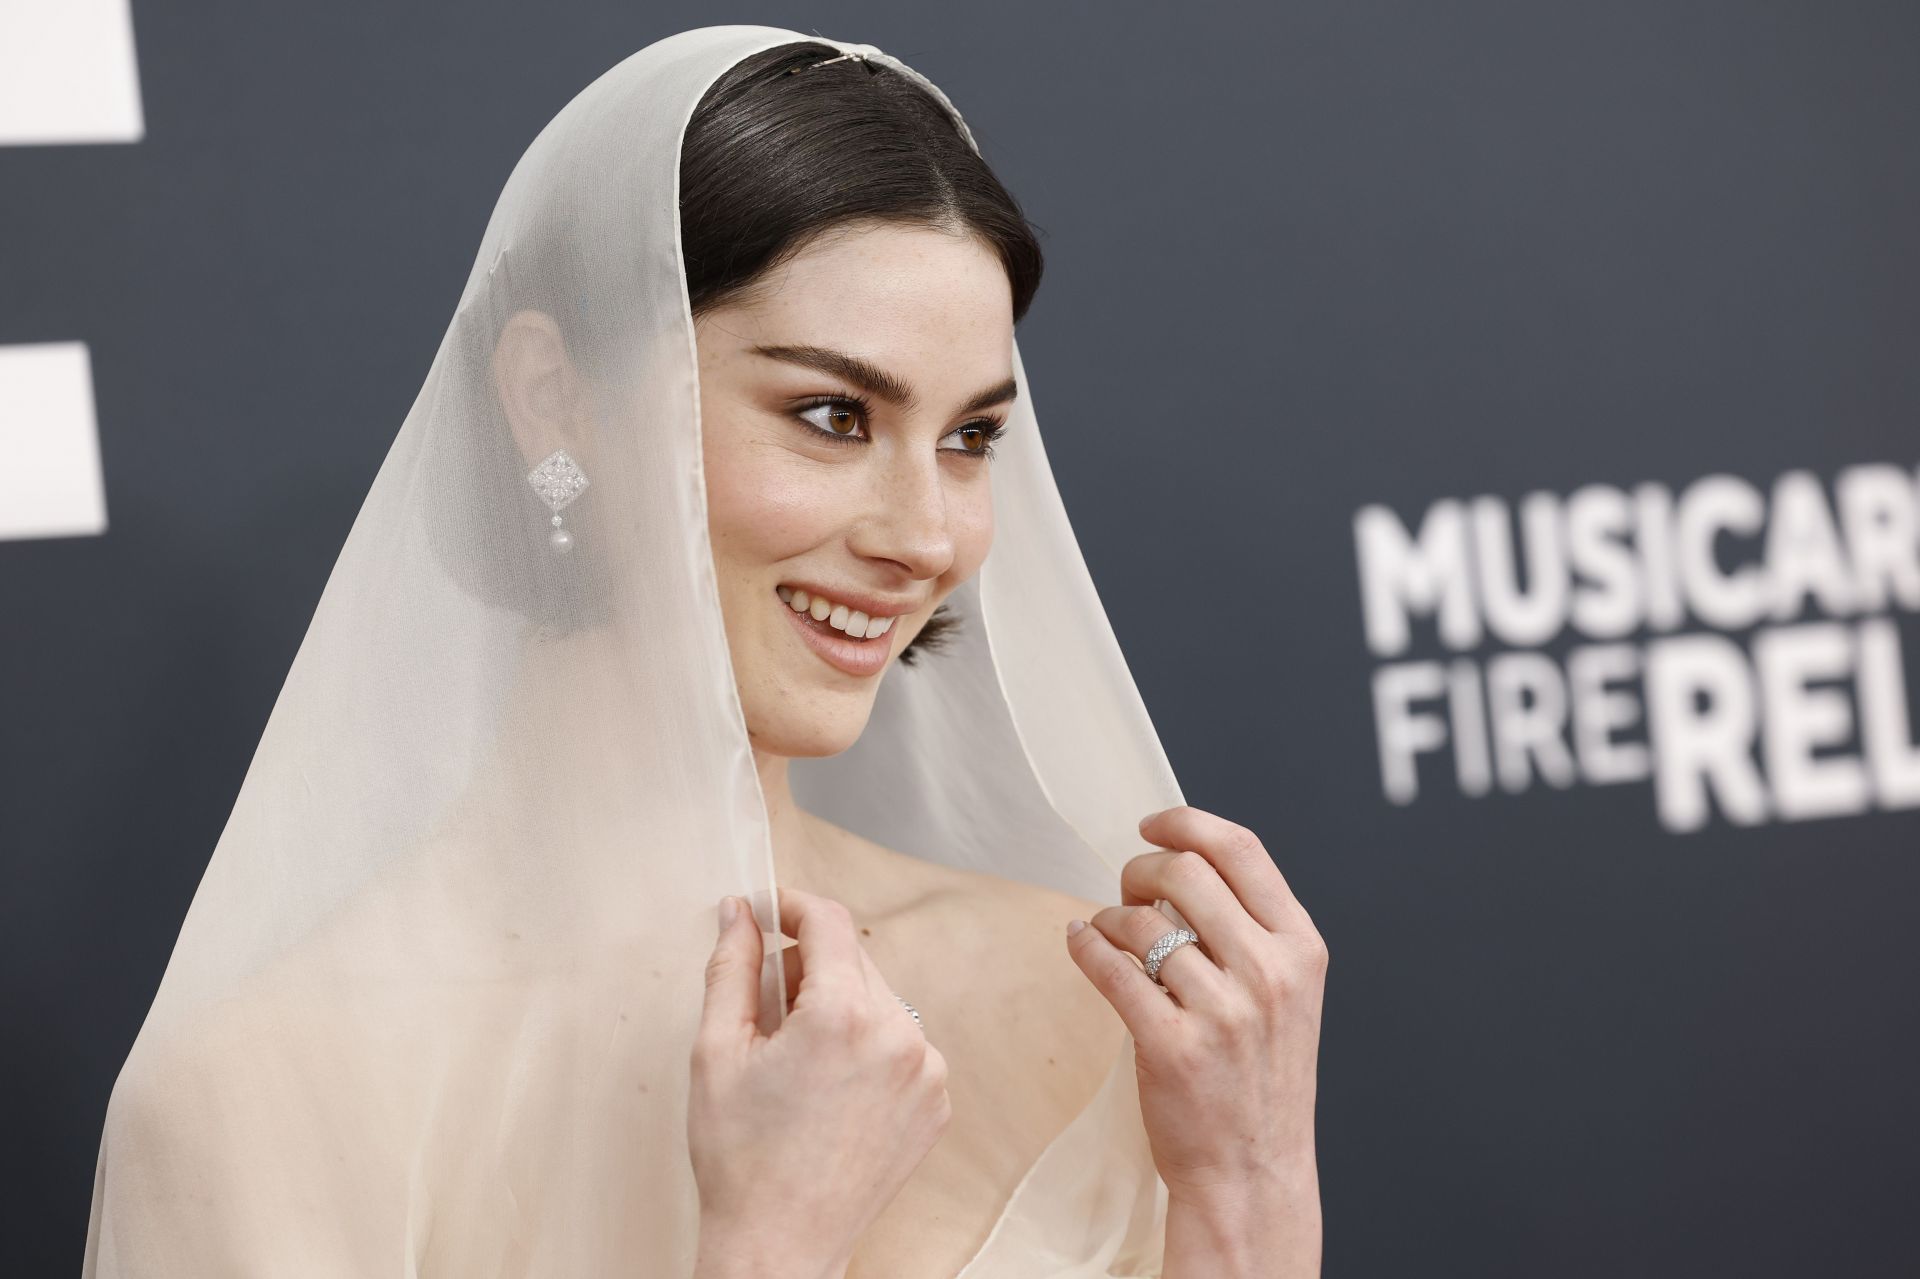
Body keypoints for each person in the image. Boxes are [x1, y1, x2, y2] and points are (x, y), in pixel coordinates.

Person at [81, 26, 1326, 1279]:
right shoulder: (260, 1093)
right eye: (832, 416)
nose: (926, 535)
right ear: (551, 400)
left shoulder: (1088, 994)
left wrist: (1251, 1181)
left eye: (969, 439)